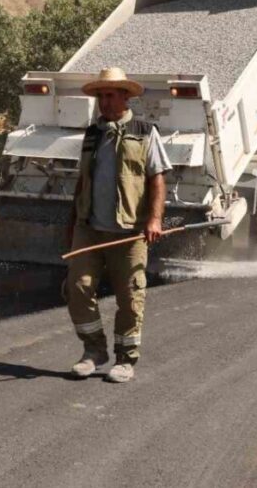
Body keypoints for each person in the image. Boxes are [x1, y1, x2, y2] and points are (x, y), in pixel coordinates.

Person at [66, 67, 172, 384]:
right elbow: (81, 184)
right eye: (100, 96)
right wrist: (70, 227)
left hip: (130, 232)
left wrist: (154, 219)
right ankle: (94, 351)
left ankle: (125, 359)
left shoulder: (145, 131)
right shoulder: (92, 135)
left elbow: (158, 179)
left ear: (125, 97)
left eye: (110, 95)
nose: (104, 102)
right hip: (90, 229)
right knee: (78, 287)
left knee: (130, 296)